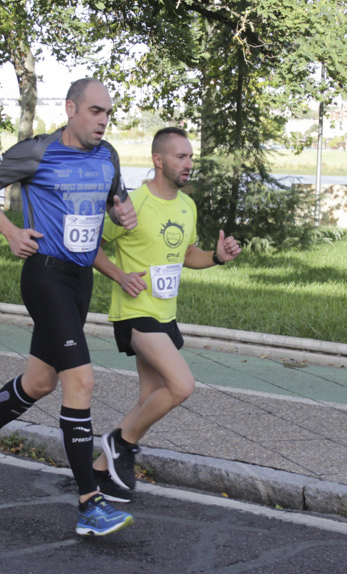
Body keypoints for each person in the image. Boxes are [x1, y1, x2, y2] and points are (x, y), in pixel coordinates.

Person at [0, 78, 139, 536]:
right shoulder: (37, 151)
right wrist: (10, 231)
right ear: (71, 109)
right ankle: (90, 504)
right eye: (95, 111)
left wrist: (122, 214)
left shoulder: (108, 155)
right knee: (82, 381)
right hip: (45, 275)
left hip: (80, 281)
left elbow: (115, 204)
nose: (102, 120)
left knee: (39, 381)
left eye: (107, 113)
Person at [90, 127, 241, 502]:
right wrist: (120, 276)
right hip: (135, 312)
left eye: (191, 157)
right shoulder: (132, 204)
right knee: (180, 386)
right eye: (180, 157)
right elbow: (91, 247)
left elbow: (187, 255)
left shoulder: (186, 206)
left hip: (165, 314)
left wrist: (217, 257)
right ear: (158, 160)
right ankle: (120, 443)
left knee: (150, 398)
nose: (189, 164)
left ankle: (95, 474)